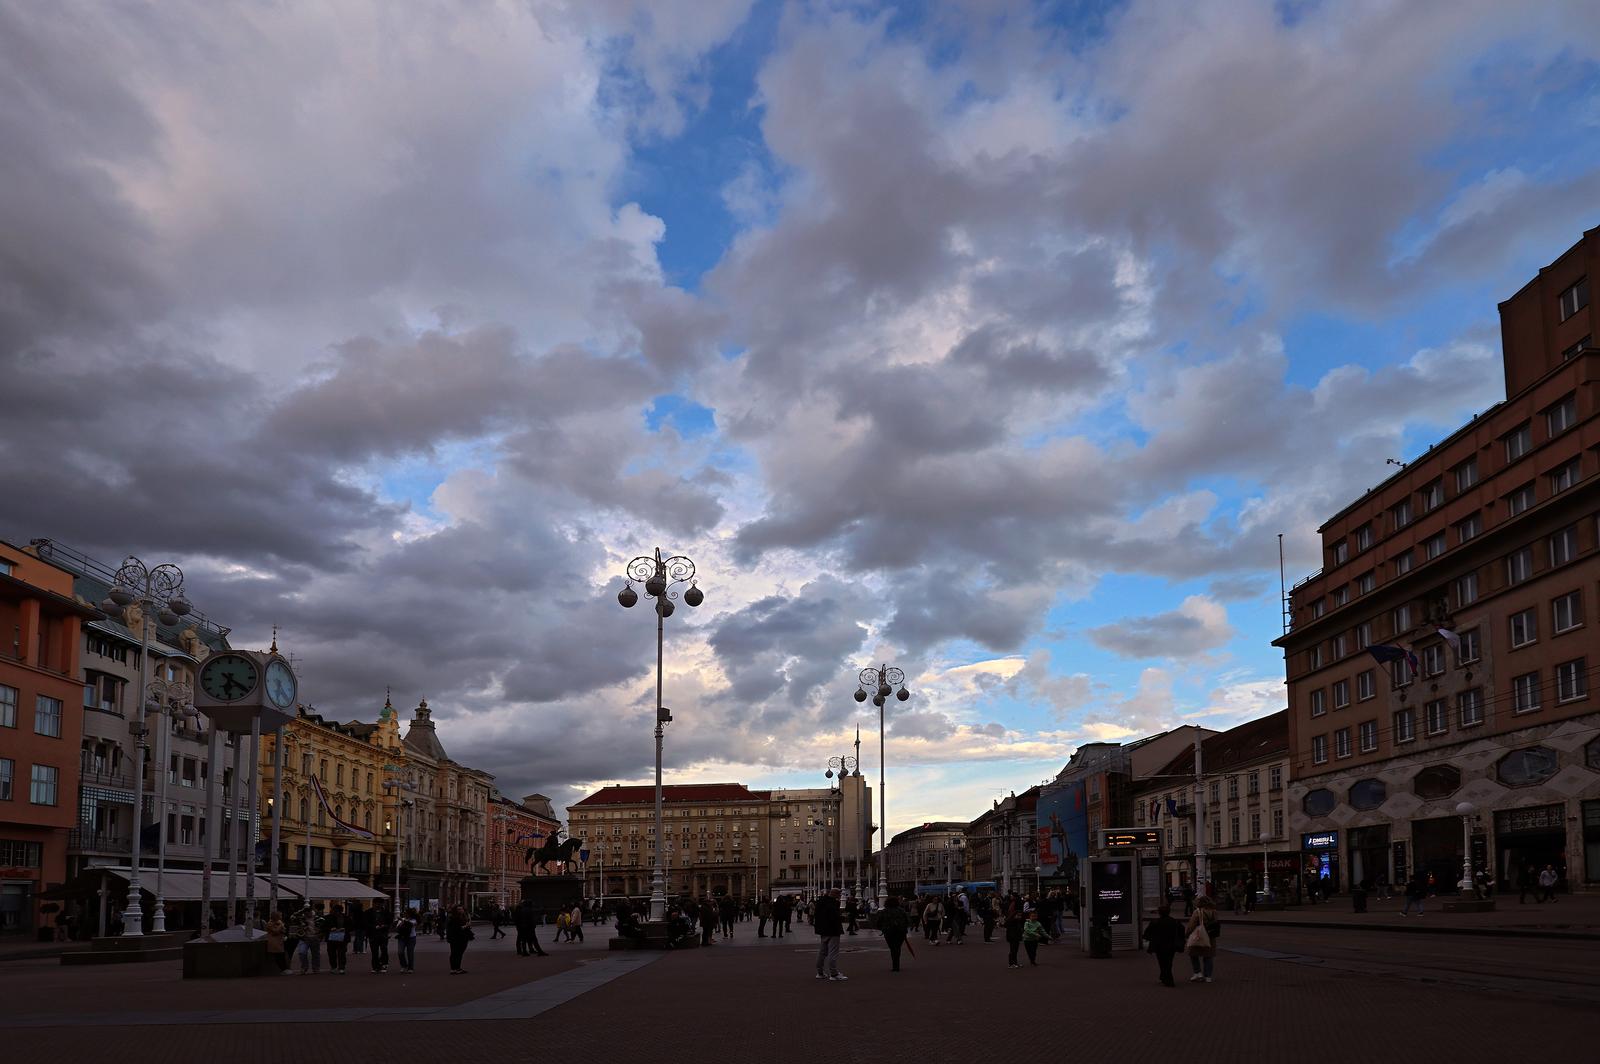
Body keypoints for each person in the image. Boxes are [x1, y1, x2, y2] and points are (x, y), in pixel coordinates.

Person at [1142, 905, 1186, 987]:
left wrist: (1151, 938)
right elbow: (1182, 932)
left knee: (1162, 962)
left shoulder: (1155, 922)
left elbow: (1147, 934)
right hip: (1171, 945)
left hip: (1159, 946)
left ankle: (1167, 978)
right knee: (1169, 962)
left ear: (1159, 913)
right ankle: (1165, 977)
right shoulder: (1175, 922)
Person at [1184, 898, 1220, 982]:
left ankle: (1197, 972)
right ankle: (1208, 976)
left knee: (1193, 954)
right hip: (1210, 936)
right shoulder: (1214, 912)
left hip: (1199, 936)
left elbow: (1191, 925)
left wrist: (1187, 934)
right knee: (1208, 956)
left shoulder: (1198, 912)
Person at [813, 887, 845, 981]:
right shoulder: (833, 903)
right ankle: (834, 974)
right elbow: (835, 917)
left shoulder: (820, 902)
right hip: (833, 931)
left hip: (823, 931)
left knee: (822, 952)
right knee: (833, 952)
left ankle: (820, 972)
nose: (839, 897)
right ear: (835, 894)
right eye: (839, 895)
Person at [878, 895, 909, 972]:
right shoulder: (901, 910)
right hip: (900, 932)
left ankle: (895, 965)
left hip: (889, 932)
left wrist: (882, 928)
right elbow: (907, 920)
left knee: (892, 948)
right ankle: (896, 964)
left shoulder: (884, 911)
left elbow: (879, 922)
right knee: (897, 947)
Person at [291, 904, 323, 975]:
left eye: (309, 912)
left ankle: (316, 968)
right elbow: (292, 917)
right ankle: (304, 967)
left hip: (315, 938)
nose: (307, 914)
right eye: (306, 912)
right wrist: (301, 910)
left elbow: (323, 927)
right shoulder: (301, 918)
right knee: (302, 952)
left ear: (312, 912)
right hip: (304, 938)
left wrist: (320, 935)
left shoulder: (318, 918)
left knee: (315, 954)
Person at [446, 904, 473, 974]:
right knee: (455, 953)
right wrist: (466, 926)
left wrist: (468, 926)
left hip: (463, 937)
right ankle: (454, 968)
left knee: (459, 953)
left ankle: (456, 968)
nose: (460, 911)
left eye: (461, 909)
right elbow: (456, 928)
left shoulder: (464, 917)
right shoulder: (454, 918)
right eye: (458, 909)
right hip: (456, 938)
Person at [324, 903, 349, 974]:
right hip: (331, 937)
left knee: (341, 953)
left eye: (336, 911)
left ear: (340, 911)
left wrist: (344, 929)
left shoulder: (346, 917)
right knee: (331, 953)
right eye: (333, 910)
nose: (334, 912)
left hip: (343, 937)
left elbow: (351, 926)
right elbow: (323, 927)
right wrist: (330, 929)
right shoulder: (328, 917)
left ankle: (341, 967)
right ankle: (333, 966)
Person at [366, 904, 391, 973]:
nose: (377, 905)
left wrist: (385, 926)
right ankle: (375, 966)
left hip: (383, 934)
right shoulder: (369, 912)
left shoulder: (386, 912)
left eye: (379, 904)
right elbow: (366, 923)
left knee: (384, 950)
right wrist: (374, 927)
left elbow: (389, 922)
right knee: (374, 951)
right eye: (376, 904)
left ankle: (383, 964)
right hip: (373, 934)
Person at [393, 908, 417, 973]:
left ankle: (410, 968)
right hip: (402, 938)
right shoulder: (402, 920)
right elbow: (397, 928)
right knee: (400, 952)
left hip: (411, 938)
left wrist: (403, 921)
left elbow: (411, 924)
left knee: (410, 953)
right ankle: (403, 965)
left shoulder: (413, 920)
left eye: (406, 913)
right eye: (404, 913)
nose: (404, 914)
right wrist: (398, 924)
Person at [1004, 898, 1025, 969]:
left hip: (1016, 938)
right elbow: (1010, 930)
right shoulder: (1011, 922)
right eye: (1018, 915)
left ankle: (1015, 963)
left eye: (1020, 915)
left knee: (1015, 951)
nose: (1019, 917)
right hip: (1013, 938)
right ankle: (1011, 963)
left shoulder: (1017, 922)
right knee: (1012, 951)